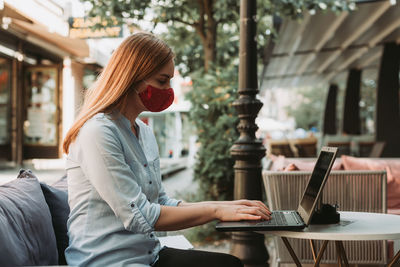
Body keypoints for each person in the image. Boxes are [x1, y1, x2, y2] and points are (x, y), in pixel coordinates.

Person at [62, 32, 271, 267]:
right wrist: (215, 211)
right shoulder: (97, 133)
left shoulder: (144, 132)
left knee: (229, 264)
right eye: (162, 81)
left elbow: (160, 201)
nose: (169, 90)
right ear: (132, 78)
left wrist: (228, 206)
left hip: (147, 255)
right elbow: (140, 215)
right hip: (106, 261)